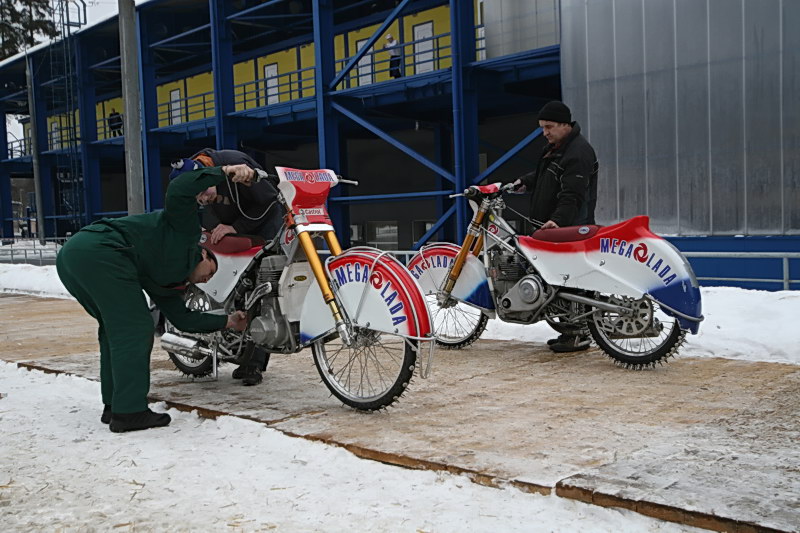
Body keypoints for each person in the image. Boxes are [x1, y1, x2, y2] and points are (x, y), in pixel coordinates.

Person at [56, 164, 253, 433]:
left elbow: (184, 318)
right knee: (134, 328)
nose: (209, 279)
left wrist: (228, 322)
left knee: (115, 331)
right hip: (101, 251)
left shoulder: (169, 282)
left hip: (75, 257)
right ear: (204, 254)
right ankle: (130, 413)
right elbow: (179, 190)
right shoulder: (185, 233)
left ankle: (115, 405)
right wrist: (225, 171)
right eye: (211, 271)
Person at [170, 148, 281, 386]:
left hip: (262, 228)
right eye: (197, 198)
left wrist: (236, 226)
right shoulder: (199, 180)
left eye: (203, 193)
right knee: (236, 288)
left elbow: (271, 201)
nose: (203, 199)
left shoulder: (236, 164)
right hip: (229, 227)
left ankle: (253, 362)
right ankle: (236, 343)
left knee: (261, 289)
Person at [515, 100, 599, 353]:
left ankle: (577, 334)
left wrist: (558, 222)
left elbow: (572, 195)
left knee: (568, 283)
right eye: (542, 127)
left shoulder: (578, 153)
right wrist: (523, 182)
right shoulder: (558, 148)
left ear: (565, 124)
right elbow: (545, 176)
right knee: (558, 282)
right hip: (553, 225)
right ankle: (570, 332)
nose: (545, 132)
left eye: (549, 127)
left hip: (570, 228)